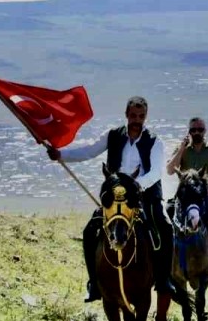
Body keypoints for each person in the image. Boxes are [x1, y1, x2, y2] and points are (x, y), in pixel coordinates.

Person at [47, 96, 185, 306]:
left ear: (145, 117)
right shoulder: (112, 135)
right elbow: (89, 150)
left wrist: (136, 185)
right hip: (115, 197)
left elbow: (156, 172)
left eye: (141, 116)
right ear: (126, 115)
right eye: (133, 116)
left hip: (144, 195)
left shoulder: (155, 141)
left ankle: (164, 280)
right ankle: (94, 283)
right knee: (89, 231)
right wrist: (61, 155)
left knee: (165, 227)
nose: (137, 120)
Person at [166, 116, 208, 276]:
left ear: (205, 131)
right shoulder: (182, 148)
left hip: (206, 196)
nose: (197, 133)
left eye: (200, 130)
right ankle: (167, 264)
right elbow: (170, 170)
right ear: (189, 132)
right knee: (166, 215)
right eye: (193, 130)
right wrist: (181, 149)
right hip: (185, 198)